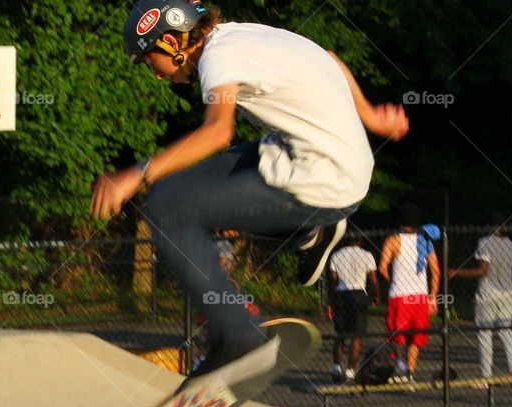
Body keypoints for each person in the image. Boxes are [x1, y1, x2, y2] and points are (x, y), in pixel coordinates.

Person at [92, 1, 409, 381]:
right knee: (183, 188)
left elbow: (217, 131)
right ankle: (310, 231)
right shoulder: (243, 35)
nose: (156, 75)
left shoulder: (218, 57)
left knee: (165, 206)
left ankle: (237, 337)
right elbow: (328, 57)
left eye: (149, 61)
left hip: (321, 180)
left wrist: (136, 173)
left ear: (172, 42)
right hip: (320, 161)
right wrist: (370, 115)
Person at [449, 213, 512, 379]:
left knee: (484, 334)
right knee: (506, 332)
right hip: (507, 293)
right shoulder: (511, 245)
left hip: (487, 295)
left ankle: (486, 376)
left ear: (491, 226)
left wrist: (456, 272)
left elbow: (483, 271)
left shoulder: (484, 242)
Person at [378, 204, 440, 383]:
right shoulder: (425, 241)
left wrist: (391, 280)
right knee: (416, 337)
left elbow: (382, 267)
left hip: (399, 295)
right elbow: (436, 271)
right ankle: (410, 373)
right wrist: (433, 297)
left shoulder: (392, 240)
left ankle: (401, 366)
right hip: (420, 296)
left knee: (398, 336)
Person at [327, 236, 381, 383]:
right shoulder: (366, 255)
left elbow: (333, 279)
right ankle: (351, 370)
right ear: (360, 241)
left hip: (341, 293)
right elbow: (373, 278)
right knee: (357, 335)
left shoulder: (337, 255)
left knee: (340, 333)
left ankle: (336, 367)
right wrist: (377, 296)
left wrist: (330, 302)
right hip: (358, 294)